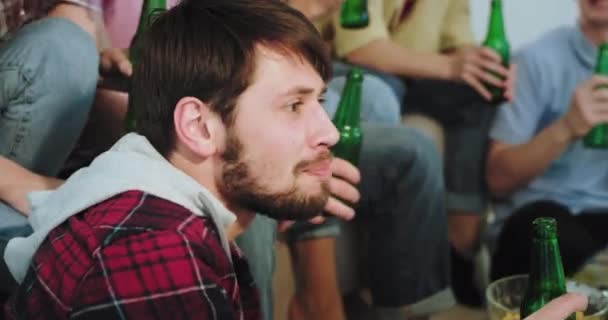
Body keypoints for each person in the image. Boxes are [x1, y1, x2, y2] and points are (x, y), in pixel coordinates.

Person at [3, 0, 361, 318]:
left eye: (320, 102)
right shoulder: (155, 258)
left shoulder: (153, 207)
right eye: (294, 105)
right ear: (198, 126)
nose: (329, 133)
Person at [329, 0, 511, 261]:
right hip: (342, 66)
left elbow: (459, 45)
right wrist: (451, 67)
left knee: (478, 94)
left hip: (408, 80)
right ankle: (386, 253)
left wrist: (487, 70)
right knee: (383, 89)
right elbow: (361, 48)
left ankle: (461, 244)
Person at [486, 0, 608, 281]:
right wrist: (567, 127)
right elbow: (497, 179)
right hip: (544, 217)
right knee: (547, 234)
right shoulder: (535, 59)